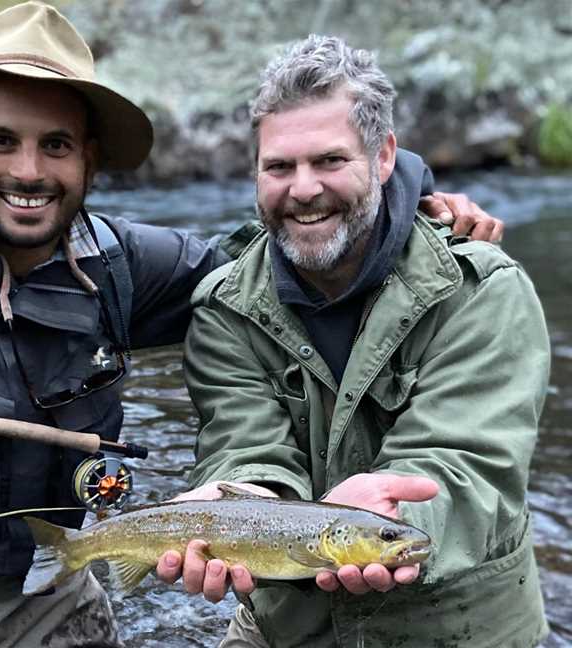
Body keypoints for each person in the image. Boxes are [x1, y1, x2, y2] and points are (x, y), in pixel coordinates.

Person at [0, 4, 503, 647]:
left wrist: (411, 211)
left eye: (55, 145)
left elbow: (280, 249)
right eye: (1, 141)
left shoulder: (126, 264)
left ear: (89, 160)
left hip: (50, 600)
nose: (29, 171)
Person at [155, 34, 550, 648]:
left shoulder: (482, 291)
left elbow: (467, 464)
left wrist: (383, 522)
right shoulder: (223, 308)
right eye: (279, 167)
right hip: (288, 623)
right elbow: (244, 448)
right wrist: (243, 496)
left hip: (460, 626)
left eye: (330, 161)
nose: (303, 189)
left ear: (384, 155)